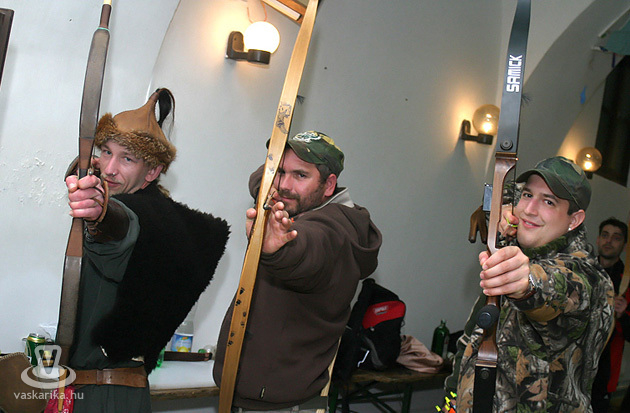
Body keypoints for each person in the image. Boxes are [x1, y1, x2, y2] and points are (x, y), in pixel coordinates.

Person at [63, 88, 230, 412]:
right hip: (99, 388)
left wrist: (99, 211)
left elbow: (118, 225)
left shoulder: (139, 216)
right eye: (106, 152)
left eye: (127, 158)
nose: (110, 169)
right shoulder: (161, 216)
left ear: (151, 172)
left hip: (106, 396)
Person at [212, 131, 382, 412]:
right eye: (280, 172)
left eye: (301, 175)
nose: (284, 185)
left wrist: (280, 250)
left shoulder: (334, 228)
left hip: (281, 405)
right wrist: (277, 167)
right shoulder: (295, 203)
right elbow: (260, 180)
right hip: (256, 396)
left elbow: (309, 250)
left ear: (329, 185)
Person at [445, 156, 614, 412]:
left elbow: (558, 288)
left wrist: (526, 284)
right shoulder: (521, 245)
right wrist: (451, 399)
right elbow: (473, 339)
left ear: (574, 220)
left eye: (549, 202)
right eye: (527, 195)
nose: (529, 210)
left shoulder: (588, 274)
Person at [591, 217, 628, 413]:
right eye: (605, 235)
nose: (609, 241)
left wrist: (623, 315)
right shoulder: (583, 271)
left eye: (616, 238)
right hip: (572, 366)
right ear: (598, 239)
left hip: (603, 373)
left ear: (624, 246)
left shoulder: (626, 282)